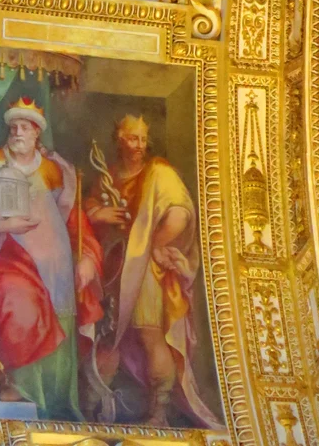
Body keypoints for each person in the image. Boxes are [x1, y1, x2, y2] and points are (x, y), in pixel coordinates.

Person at [0, 98, 103, 420]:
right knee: (18, 306)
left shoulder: (55, 170)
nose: (17, 132)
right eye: (13, 127)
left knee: (60, 324)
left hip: (56, 268)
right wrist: (1, 225)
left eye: (24, 127)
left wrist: (87, 258)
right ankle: (20, 384)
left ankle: (55, 407)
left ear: (37, 133)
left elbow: (73, 219)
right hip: (6, 258)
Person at [84, 115, 219, 427]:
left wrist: (151, 245)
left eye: (143, 139)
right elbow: (90, 210)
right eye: (132, 138)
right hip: (114, 266)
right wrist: (100, 213)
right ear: (119, 138)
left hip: (144, 274)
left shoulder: (158, 172)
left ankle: (157, 413)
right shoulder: (110, 175)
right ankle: (88, 410)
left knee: (150, 337)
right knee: (106, 340)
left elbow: (181, 214)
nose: (139, 146)